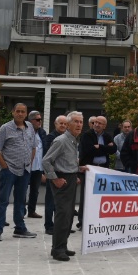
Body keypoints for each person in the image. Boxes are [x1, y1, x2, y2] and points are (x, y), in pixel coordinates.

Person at [0, 103, 38, 241]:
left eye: (23, 111)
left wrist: (29, 162)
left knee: (20, 201)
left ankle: (20, 228)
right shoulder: (5, 128)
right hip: (9, 170)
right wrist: (4, 166)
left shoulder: (30, 127)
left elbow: (33, 147)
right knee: (3, 200)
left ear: (26, 113)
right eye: (18, 111)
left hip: (25, 170)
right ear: (13, 112)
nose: (20, 114)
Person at [42, 111, 84, 261]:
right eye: (76, 122)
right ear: (68, 124)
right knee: (62, 215)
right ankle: (57, 250)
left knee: (68, 215)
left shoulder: (73, 140)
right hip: (62, 180)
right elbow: (46, 161)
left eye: (81, 122)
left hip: (71, 178)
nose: (79, 125)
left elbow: (66, 161)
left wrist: (78, 169)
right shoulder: (61, 140)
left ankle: (62, 246)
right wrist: (54, 179)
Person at [78, 115, 116, 228]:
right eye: (96, 122)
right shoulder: (87, 135)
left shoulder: (107, 136)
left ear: (105, 126)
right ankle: (82, 222)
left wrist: (99, 147)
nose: (97, 124)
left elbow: (113, 149)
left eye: (100, 123)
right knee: (86, 196)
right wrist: (105, 148)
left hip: (102, 169)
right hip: (90, 169)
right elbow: (90, 150)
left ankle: (96, 221)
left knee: (100, 196)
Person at [42, 115, 68, 235]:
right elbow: (48, 156)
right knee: (50, 201)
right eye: (60, 123)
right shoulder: (50, 137)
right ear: (55, 124)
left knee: (62, 203)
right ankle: (49, 225)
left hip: (65, 172)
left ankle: (60, 226)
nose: (63, 125)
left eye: (65, 123)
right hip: (53, 173)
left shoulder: (68, 137)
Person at [26, 110, 48, 219]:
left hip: (38, 167)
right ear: (31, 121)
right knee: (22, 189)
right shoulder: (25, 131)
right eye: (38, 119)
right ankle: (20, 211)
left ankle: (31, 211)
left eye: (41, 119)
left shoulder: (42, 132)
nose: (40, 122)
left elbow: (45, 149)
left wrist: (44, 170)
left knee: (35, 191)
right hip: (26, 166)